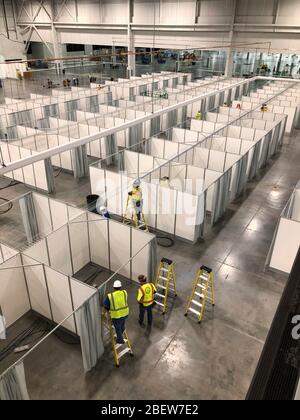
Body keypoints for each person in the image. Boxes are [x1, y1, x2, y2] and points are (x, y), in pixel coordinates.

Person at [104, 280, 129, 344]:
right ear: (120, 287)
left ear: (113, 287)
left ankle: (120, 340)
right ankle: (121, 333)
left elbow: (106, 306)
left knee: (117, 328)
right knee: (122, 325)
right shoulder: (124, 292)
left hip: (116, 315)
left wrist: (108, 311)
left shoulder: (110, 296)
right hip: (125, 313)